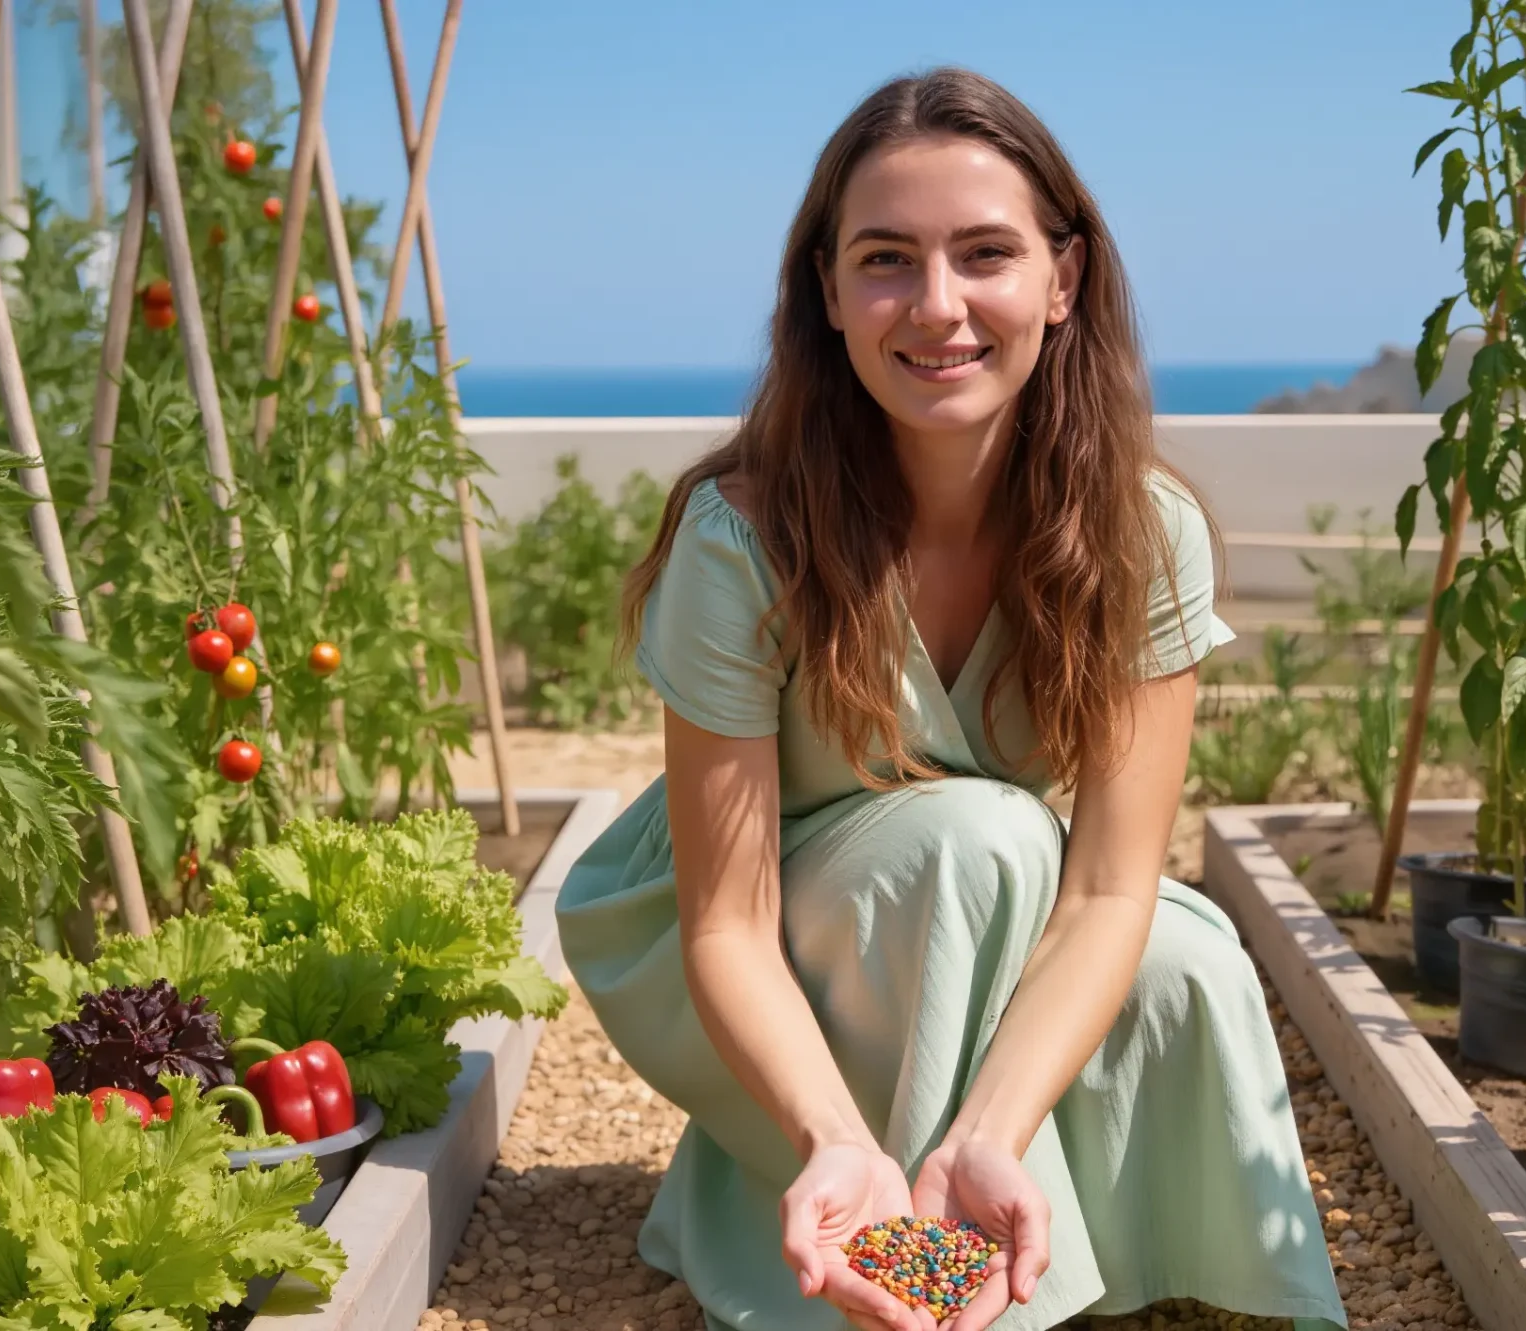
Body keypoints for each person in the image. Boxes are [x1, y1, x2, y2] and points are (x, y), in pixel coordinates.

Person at [555, 67, 1344, 1331]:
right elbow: (725, 925)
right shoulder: (739, 538)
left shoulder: (1148, 534)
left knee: (1187, 959)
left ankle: (1093, 1252)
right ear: (826, 289)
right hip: (728, 927)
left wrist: (988, 1129)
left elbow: (1106, 891)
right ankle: (903, 1266)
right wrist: (832, 1131)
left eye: (986, 253)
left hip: (976, 892)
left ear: (1063, 278)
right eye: (885, 259)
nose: (937, 307)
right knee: (973, 836)